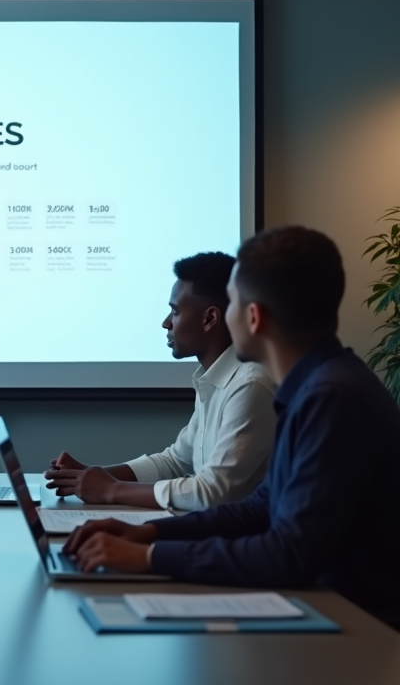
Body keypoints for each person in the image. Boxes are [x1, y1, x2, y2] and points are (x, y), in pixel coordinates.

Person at [62, 227, 400, 631]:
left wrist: (148, 558)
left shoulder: (331, 398)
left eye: (233, 304)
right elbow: (261, 509)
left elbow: (287, 555)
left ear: (253, 318)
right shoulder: (317, 386)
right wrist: (150, 534)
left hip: (358, 626)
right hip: (327, 604)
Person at [45, 252, 276, 511]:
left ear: (210, 318)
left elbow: (213, 492)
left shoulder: (250, 386)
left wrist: (111, 490)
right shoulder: (214, 378)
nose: (166, 322)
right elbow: (176, 462)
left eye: (175, 312)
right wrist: (91, 477)